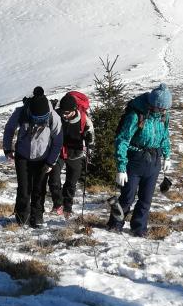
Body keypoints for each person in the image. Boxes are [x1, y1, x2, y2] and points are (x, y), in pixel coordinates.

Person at [108, 83, 172, 237]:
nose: (164, 111)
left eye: (165, 109)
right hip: (135, 160)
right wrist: (121, 167)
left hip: (154, 160)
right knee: (127, 197)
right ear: (154, 105)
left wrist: (167, 155)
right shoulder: (136, 115)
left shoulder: (163, 116)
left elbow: (165, 136)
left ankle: (139, 228)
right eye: (162, 108)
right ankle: (115, 225)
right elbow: (122, 140)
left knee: (146, 199)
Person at [2, 86, 63, 229]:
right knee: (24, 189)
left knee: (39, 189)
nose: (38, 122)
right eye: (36, 119)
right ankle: (22, 218)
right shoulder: (21, 112)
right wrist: (7, 149)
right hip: (22, 157)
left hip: (43, 159)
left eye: (42, 119)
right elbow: (9, 129)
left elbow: (58, 141)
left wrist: (50, 162)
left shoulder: (53, 117)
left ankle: (37, 217)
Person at [49, 92, 93, 218]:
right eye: (63, 111)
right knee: (54, 179)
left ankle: (68, 207)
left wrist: (89, 141)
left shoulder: (84, 119)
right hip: (57, 152)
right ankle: (57, 205)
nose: (64, 114)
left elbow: (91, 137)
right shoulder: (56, 115)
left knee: (71, 182)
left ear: (74, 110)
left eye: (67, 112)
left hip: (75, 153)